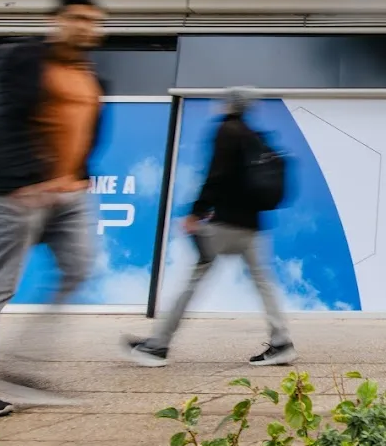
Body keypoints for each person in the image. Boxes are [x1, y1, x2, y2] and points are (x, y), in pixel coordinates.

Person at [0, 0, 107, 418]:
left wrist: (80, 177)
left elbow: (85, 132)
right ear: (56, 21)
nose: (85, 26)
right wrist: (23, 178)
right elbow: (3, 119)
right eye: (76, 18)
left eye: (92, 20)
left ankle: (22, 363)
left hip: (69, 195)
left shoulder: (90, 75)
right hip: (17, 192)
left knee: (78, 266)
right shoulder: (24, 59)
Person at [123, 88, 296, 368]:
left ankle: (157, 345)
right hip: (252, 227)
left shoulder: (227, 131)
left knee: (192, 283)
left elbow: (216, 176)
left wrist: (196, 213)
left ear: (230, 104)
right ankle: (282, 342)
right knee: (264, 284)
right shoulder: (253, 136)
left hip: (223, 225)